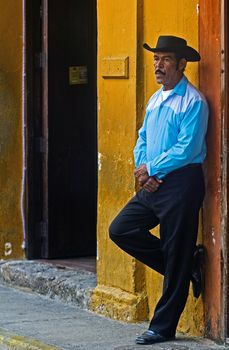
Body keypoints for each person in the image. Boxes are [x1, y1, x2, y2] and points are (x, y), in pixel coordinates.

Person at [109, 35, 209, 345]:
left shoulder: (193, 101)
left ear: (181, 64)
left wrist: (153, 169)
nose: (158, 64)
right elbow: (142, 139)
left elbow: (187, 148)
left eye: (165, 59)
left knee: (175, 251)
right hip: (154, 182)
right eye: (156, 58)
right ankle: (186, 263)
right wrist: (143, 170)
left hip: (182, 184)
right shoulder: (156, 99)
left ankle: (162, 328)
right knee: (121, 229)